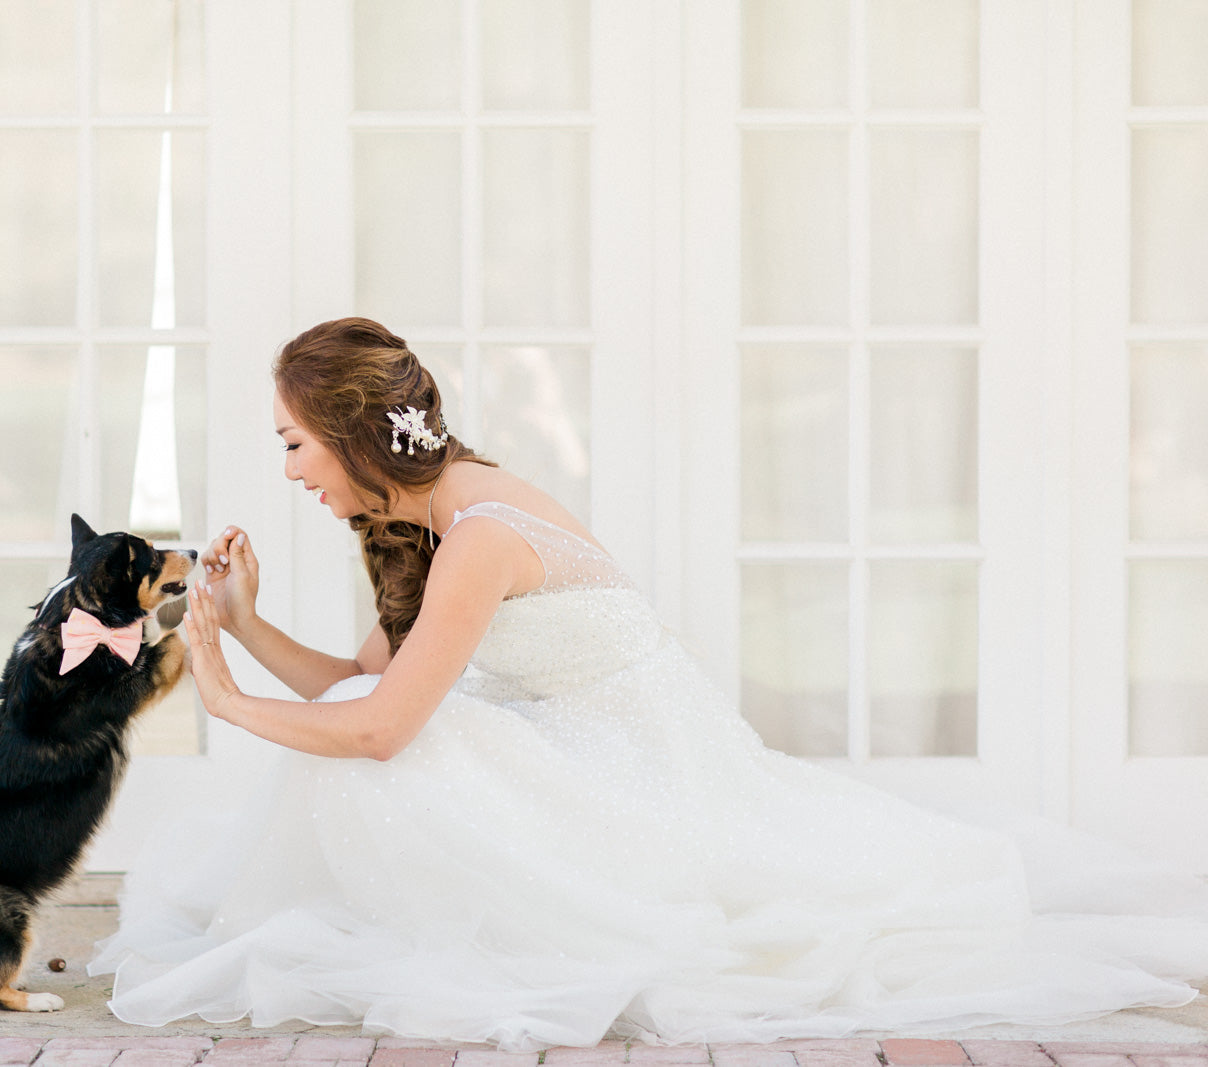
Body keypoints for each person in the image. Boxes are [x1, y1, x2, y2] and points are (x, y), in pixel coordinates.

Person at [90, 317, 1208, 1050]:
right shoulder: (432, 516)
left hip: (649, 781)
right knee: (370, 736)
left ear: (350, 435)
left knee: (383, 758)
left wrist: (226, 697)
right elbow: (360, 682)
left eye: (292, 443)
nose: (286, 471)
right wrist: (246, 621)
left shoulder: (474, 533)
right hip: (575, 761)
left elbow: (379, 728)